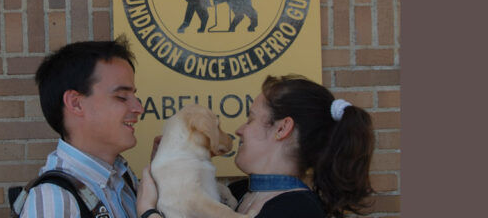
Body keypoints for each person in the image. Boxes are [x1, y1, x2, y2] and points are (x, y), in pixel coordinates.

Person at [137, 74, 376, 218]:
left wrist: (148, 212)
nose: (239, 129)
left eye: (250, 118)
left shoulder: (298, 210)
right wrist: (168, 181)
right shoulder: (239, 191)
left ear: (282, 129)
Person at [18, 38, 149, 218]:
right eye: (121, 97)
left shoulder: (123, 178)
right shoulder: (55, 200)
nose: (139, 108)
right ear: (76, 103)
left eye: (134, 95)